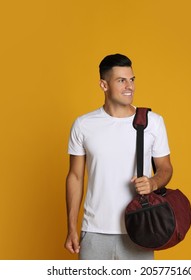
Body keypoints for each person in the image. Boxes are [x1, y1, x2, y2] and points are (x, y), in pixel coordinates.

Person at [64, 53, 173, 260]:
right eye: (121, 81)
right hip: (94, 232)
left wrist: (153, 183)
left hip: (139, 229)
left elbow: (166, 168)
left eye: (131, 80)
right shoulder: (83, 125)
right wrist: (71, 227)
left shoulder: (153, 122)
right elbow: (75, 177)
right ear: (104, 85)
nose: (129, 86)